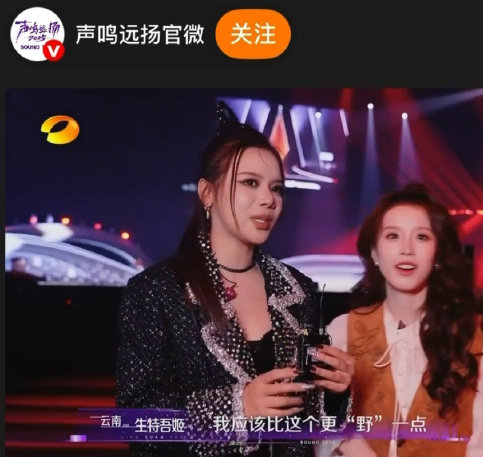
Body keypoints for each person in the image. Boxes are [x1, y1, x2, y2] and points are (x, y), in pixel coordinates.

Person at [116, 102, 354, 457]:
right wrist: (238, 407)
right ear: (207, 193)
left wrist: (335, 391)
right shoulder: (157, 291)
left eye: (277, 188)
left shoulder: (298, 290)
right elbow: (137, 422)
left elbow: (309, 428)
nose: (268, 199)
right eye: (250, 183)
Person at [319, 183, 483, 457]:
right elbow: (317, 429)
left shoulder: (476, 340)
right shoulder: (342, 332)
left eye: (422, 237)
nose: (406, 249)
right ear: (374, 252)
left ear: (438, 253)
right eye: (392, 236)